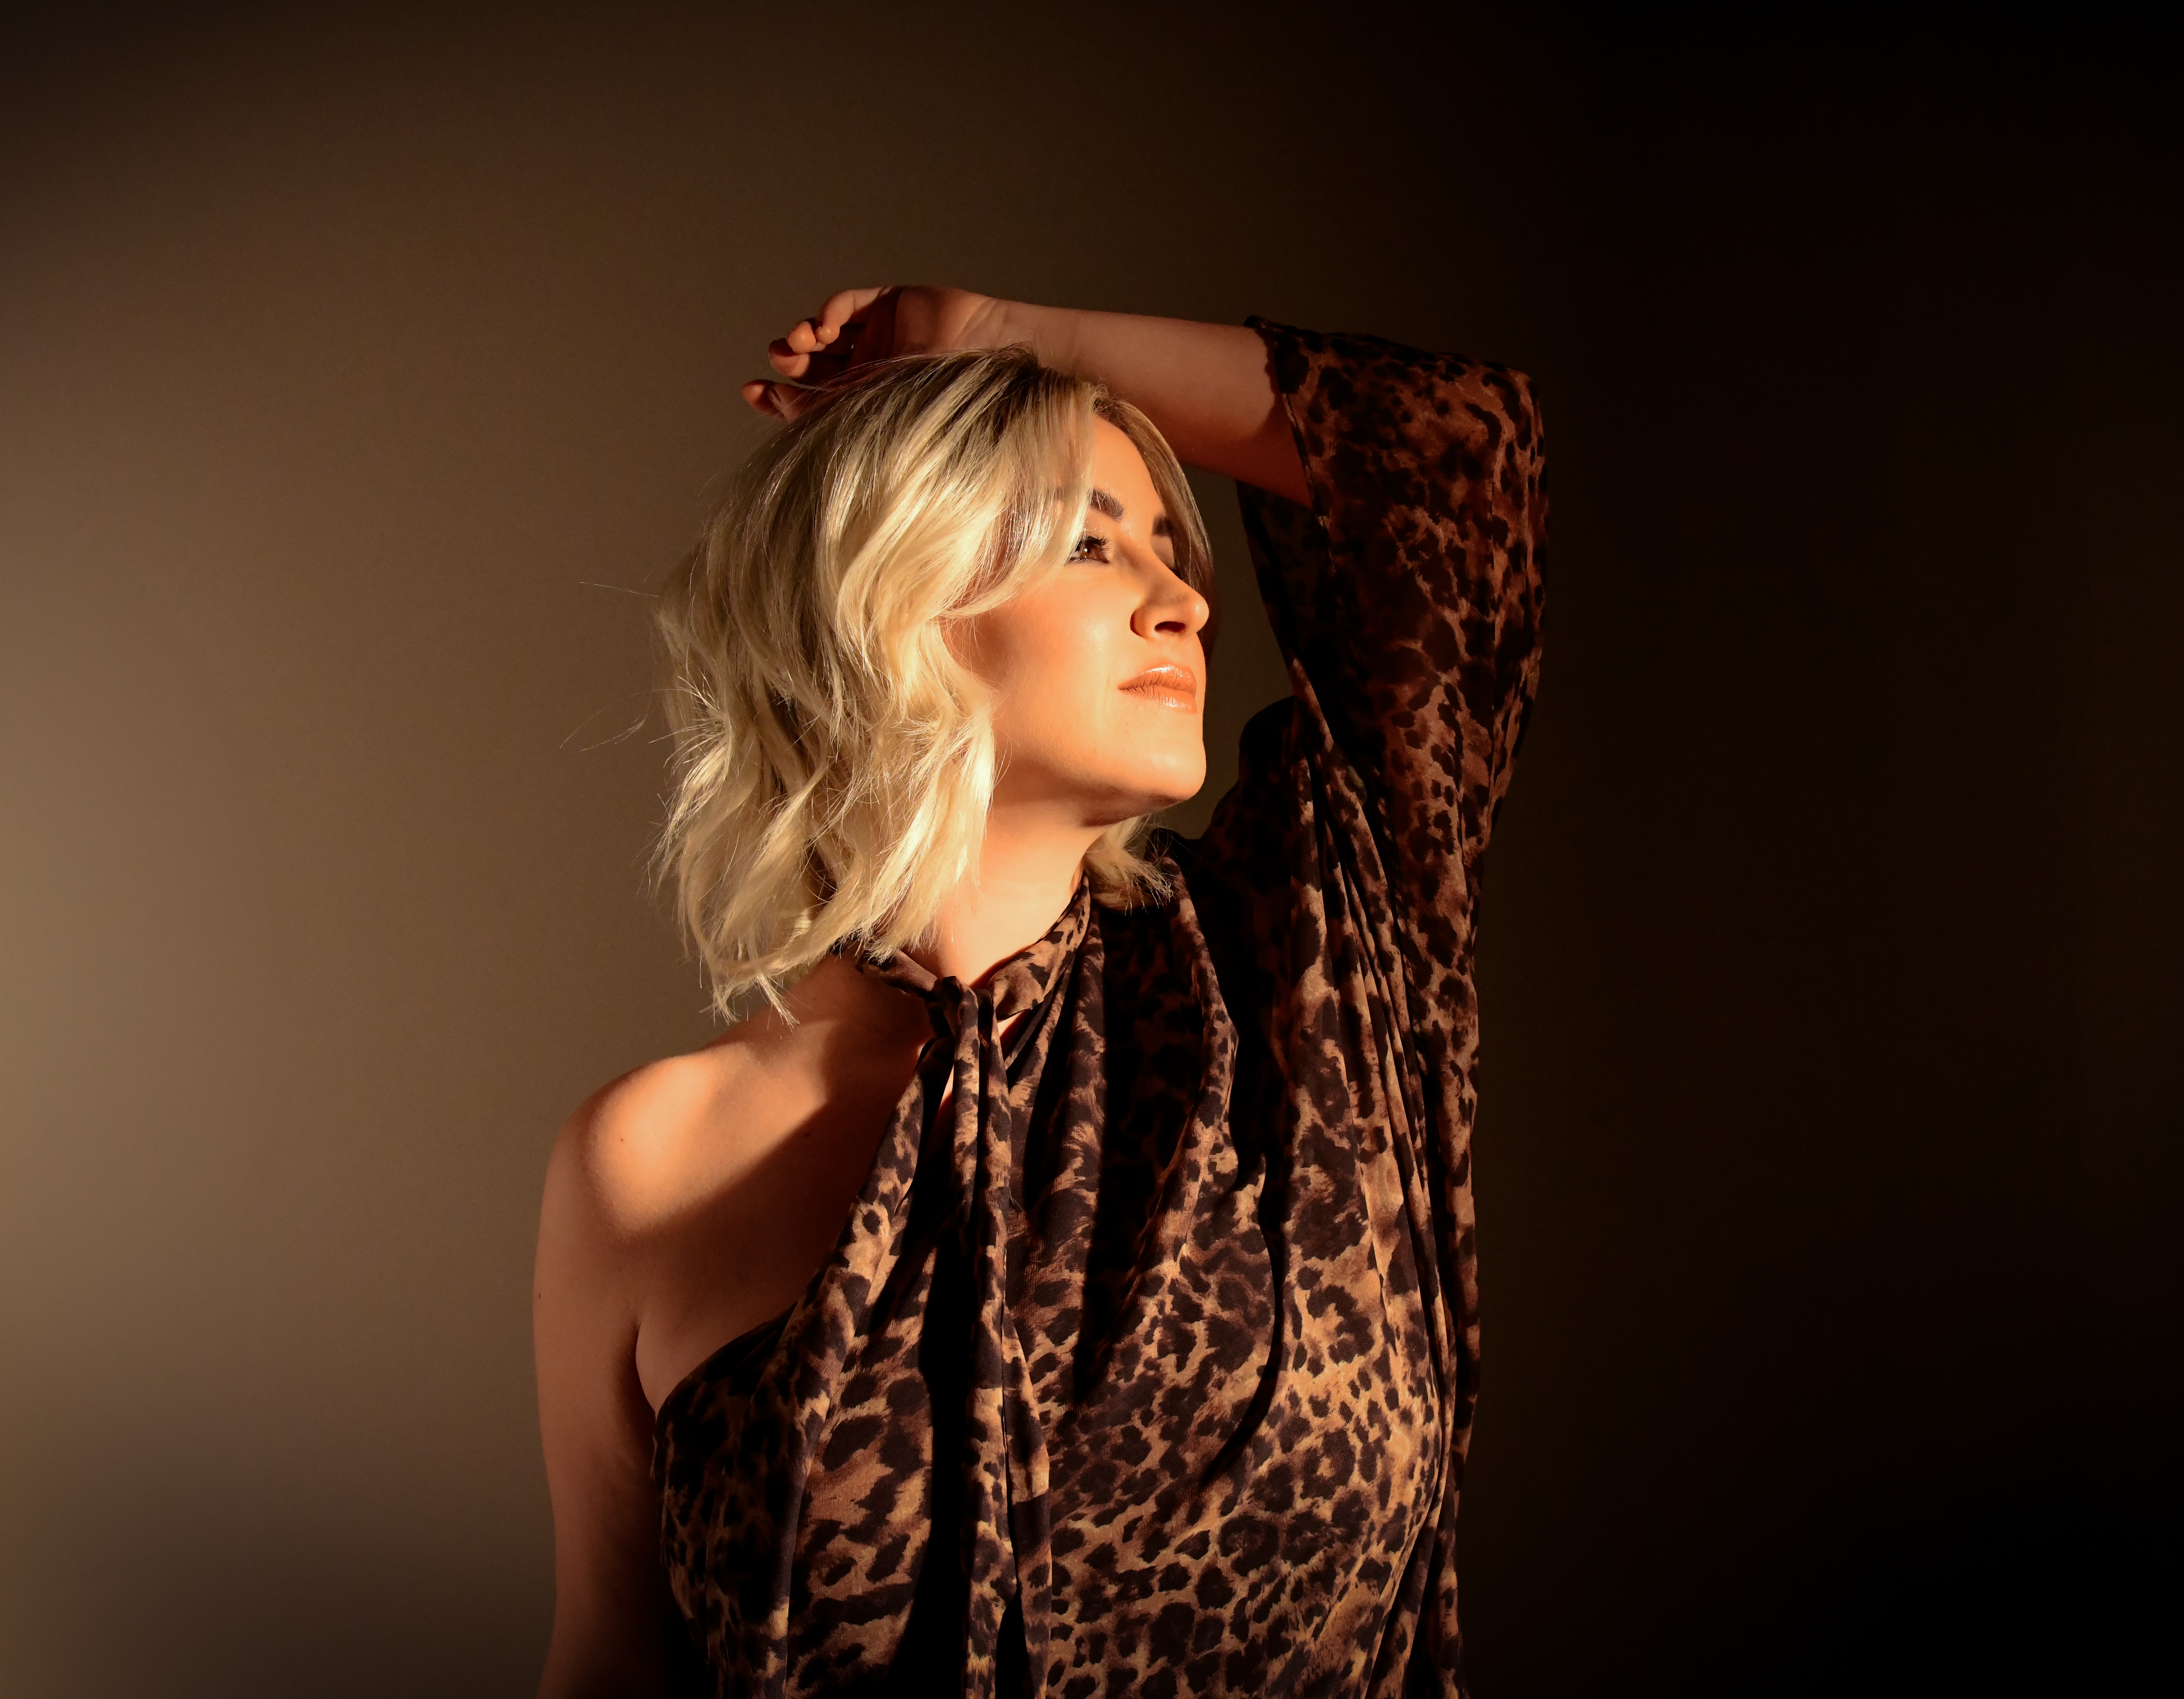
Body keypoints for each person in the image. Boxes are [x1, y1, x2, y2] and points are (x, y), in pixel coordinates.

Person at [532, 285, 1546, 1696]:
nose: (1185, 599)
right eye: (1090, 540)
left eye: (1168, 545)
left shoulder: (1312, 975)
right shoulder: (650, 1159)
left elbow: (1454, 455)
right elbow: (608, 1663)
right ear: (897, 605)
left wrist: (1007, 334)